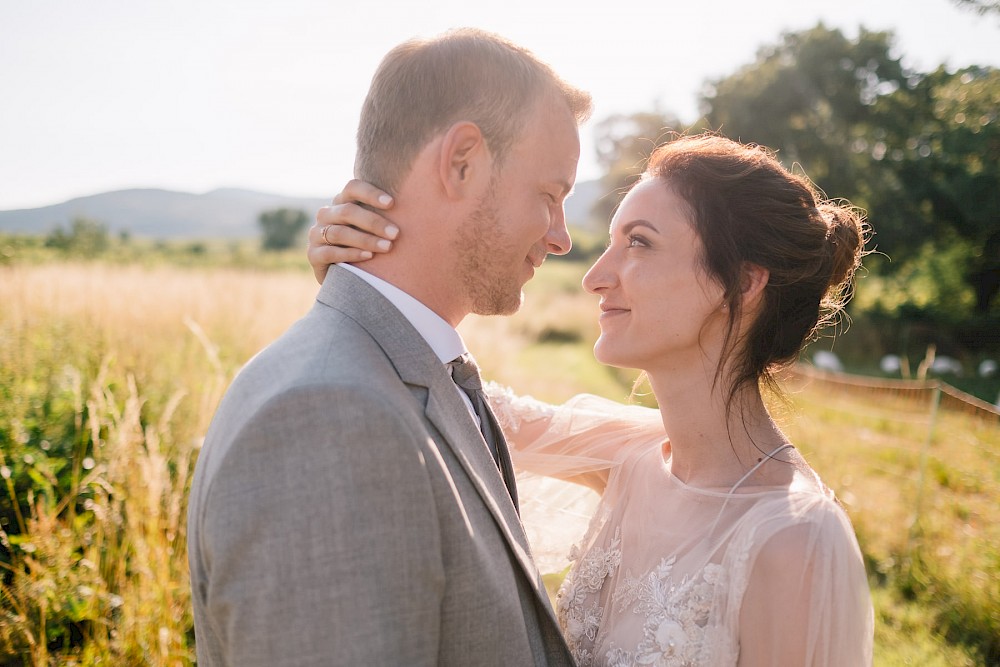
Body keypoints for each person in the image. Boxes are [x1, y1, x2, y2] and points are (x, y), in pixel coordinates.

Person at [309, 133, 875, 665]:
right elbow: (445, 398)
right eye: (610, 243)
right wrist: (369, 273)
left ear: (743, 283)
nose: (596, 277)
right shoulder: (623, 456)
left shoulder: (795, 539)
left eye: (639, 243)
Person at [186, 28, 592, 666]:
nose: (563, 237)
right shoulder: (327, 418)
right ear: (462, 162)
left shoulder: (398, 372)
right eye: (549, 195)